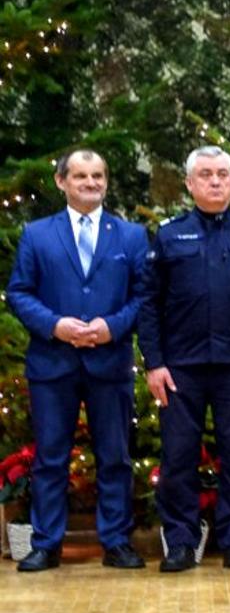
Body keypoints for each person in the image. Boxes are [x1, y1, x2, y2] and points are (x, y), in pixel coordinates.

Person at [139, 146, 230, 572]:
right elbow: (149, 303)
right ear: (189, 183)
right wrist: (154, 362)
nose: (215, 181)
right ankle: (181, 542)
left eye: (223, 174)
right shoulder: (168, 235)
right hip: (180, 367)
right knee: (178, 456)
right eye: (205, 174)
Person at [5, 150, 146, 572]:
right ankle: (47, 543)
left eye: (98, 175)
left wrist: (112, 327)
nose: (91, 182)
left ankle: (117, 541)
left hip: (110, 361)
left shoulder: (131, 236)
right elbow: (19, 293)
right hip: (53, 363)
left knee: (115, 457)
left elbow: (145, 297)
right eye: (81, 175)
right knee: (50, 457)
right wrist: (55, 325)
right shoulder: (37, 234)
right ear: (61, 181)